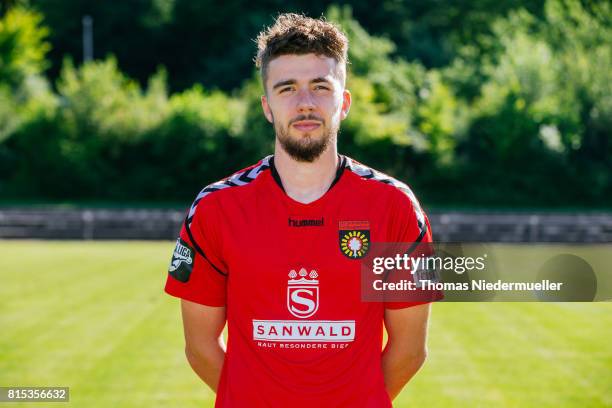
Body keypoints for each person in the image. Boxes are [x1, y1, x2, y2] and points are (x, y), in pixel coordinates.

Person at [164, 13, 440, 408]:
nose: (305, 103)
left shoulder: (394, 206)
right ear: (267, 106)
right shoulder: (215, 208)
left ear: (343, 102)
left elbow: (410, 350)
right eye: (287, 88)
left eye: (320, 87)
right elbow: (200, 346)